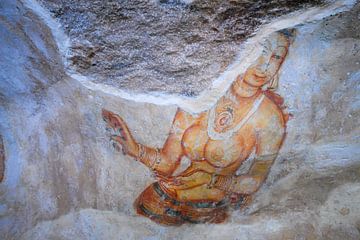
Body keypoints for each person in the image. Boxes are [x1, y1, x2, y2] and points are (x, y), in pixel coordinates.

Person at [102, 29, 295, 225]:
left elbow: (254, 181)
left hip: (210, 210)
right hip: (159, 197)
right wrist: (135, 149)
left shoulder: (269, 117)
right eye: (261, 52)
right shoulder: (202, 96)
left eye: (277, 57)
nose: (265, 65)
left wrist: (212, 180)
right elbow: (168, 162)